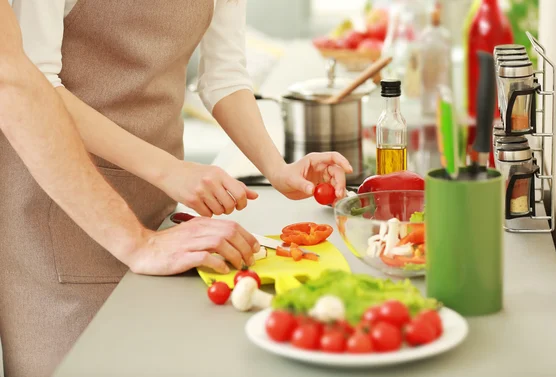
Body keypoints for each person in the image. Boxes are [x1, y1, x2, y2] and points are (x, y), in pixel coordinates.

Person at [3, 0, 353, 376]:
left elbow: (225, 76)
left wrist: (276, 168)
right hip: (61, 210)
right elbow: (34, 83)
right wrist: (170, 171)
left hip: (160, 210)